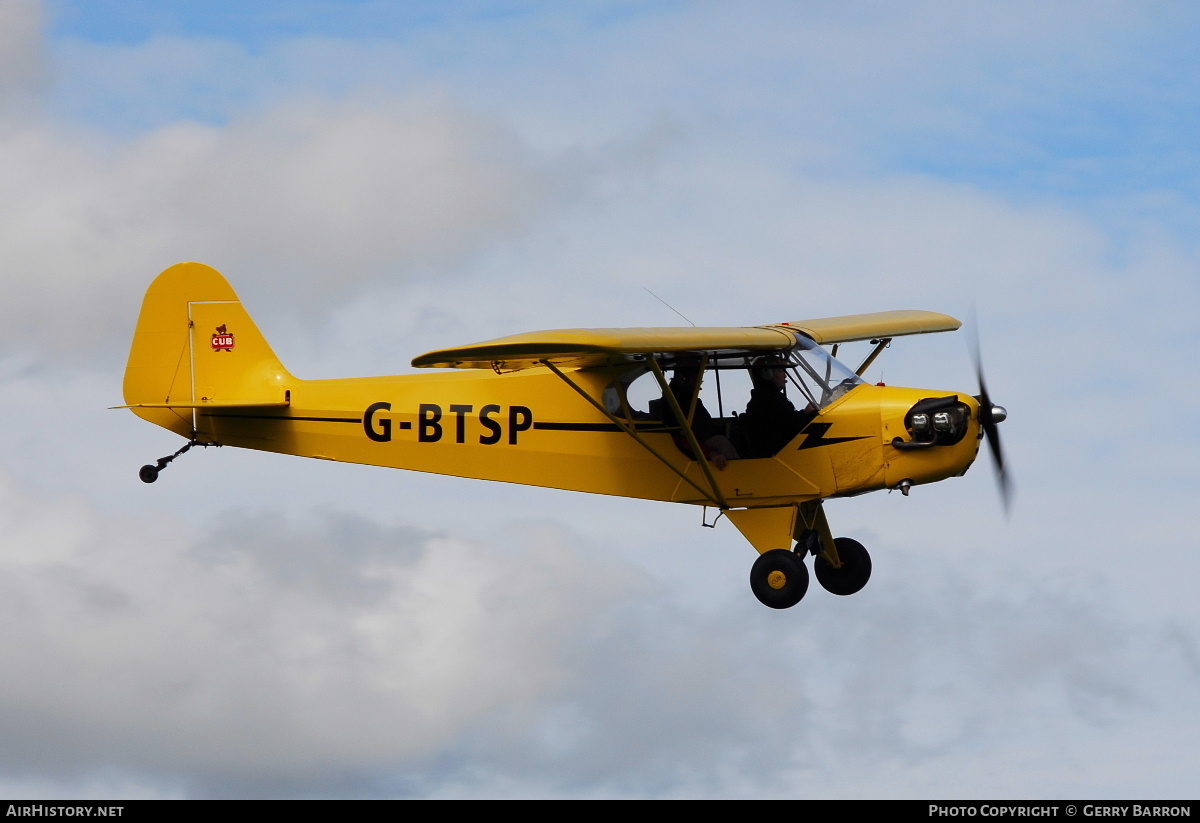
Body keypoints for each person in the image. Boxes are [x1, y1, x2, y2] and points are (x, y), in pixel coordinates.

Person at [654, 356, 740, 470]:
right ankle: (737, 472)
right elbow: (682, 438)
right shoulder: (677, 402)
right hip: (696, 444)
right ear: (684, 378)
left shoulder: (688, 400)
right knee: (721, 442)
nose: (699, 386)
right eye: (696, 378)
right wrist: (711, 453)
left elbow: (703, 426)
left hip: (701, 440)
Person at [738, 355, 817, 458]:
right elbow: (788, 426)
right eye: (780, 371)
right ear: (767, 374)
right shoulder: (766, 401)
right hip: (777, 456)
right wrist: (805, 413)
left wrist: (804, 413)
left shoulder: (769, 398)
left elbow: (786, 420)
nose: (785, 375)